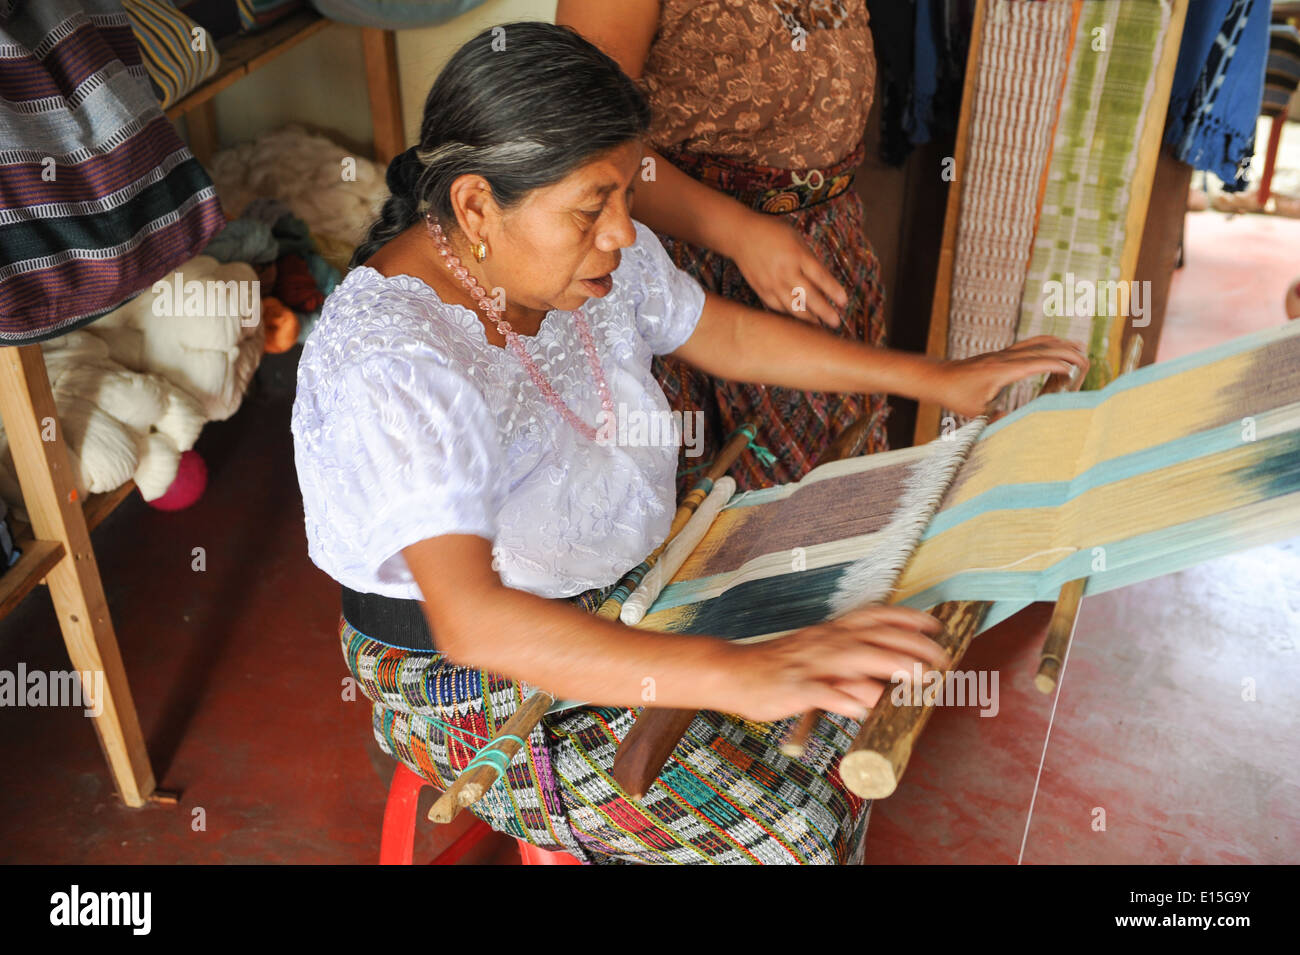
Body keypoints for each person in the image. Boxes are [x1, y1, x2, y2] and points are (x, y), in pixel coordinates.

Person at [291, 22, 1087, 864]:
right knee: (796, 825)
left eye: (625, 195)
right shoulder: (399, 364)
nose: (623, 233)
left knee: (840, 729)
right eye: (593, 207)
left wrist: (935, 380)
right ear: (476, 206)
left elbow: (721, 334)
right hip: (467, 676)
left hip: (624, 579)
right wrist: (738, 672)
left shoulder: (577, 254)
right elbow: (475, 623)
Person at [557, 0, 892, 492]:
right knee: (723, 520)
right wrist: (739, 233)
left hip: (824, 245)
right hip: (696, 262)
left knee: (833, 508)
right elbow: (585, 146)